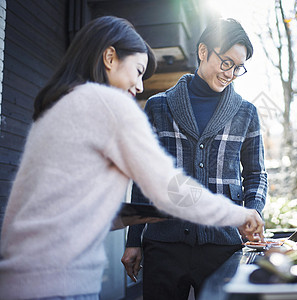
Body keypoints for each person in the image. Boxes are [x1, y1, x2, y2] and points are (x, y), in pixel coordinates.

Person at [0, 16, 264, 300]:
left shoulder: (56, 108)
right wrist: (240, 215)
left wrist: (252, 208)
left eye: (239, 68)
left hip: (18, 277)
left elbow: (69, 205)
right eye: (138, 71)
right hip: (64, 279)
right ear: (110, 58)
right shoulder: (116, 106)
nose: (139, 86)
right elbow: (162, 184)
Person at [121, 18, 267, 300]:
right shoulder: (159, 106)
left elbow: (256, 174)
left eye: (239, 68)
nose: (231, 73)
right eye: (226, 63)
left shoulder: (246, 113)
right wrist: (134, 240)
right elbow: (144, 177)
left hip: (224, 246)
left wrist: (253, 210)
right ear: (203, 51)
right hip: (163, 244)